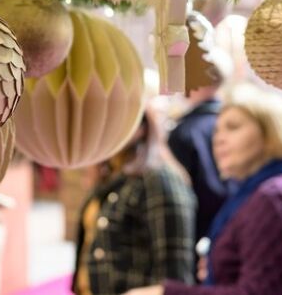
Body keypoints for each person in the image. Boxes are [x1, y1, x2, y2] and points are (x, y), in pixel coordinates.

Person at [124, 84, 282, 295]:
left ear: (270, 134)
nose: (218, 139)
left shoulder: (276, 197)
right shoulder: (274, 188)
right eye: (217, 130)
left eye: (232, 127)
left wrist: (165, 293)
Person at [73, 110, 196, 295]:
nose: (101, 129)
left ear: (139, 128)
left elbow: (175, 274)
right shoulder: (112, 175)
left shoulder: (159, 180)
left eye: (112, 120)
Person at [168, 13, 230, 243]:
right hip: (228, 223)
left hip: (196, 229)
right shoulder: (232, 121)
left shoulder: (185, 132)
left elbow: (179, 188)